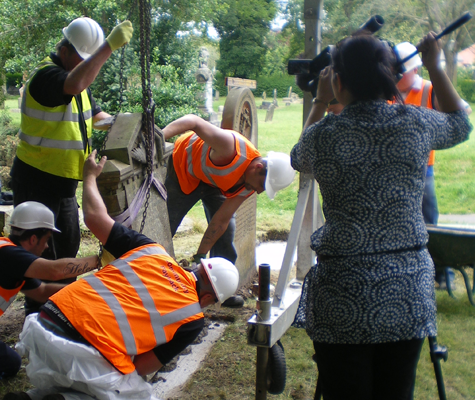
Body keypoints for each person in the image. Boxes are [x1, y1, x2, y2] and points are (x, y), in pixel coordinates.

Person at [291, 32, 472, 400]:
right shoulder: (416, 122)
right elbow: (460, 123)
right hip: (406, 289)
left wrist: (320, 101)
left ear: (338, 80)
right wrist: (436, 66)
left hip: (343, 291)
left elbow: (299, 158)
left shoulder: (326, 134)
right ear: (387, 75)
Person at [3, 150, 240, 400]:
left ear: (199, 268)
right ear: (207, 300)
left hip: (43, 324)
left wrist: (90, 177)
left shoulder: (151, 250)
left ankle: (29, 398)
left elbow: (94, 217)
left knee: (93, 371)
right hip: (78, 350)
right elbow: (141, 368)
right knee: (134, 393)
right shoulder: (192, 318)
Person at [9, 17, 133, 315]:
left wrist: (122, 124)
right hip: (37, 182)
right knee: (41, 257)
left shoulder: (72, 77)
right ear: (64, 49)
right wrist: (109, 47)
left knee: (67, 249)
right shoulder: (46, 77)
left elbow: (94, 113)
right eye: (83, 57)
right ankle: (37, 317)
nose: (86, 65)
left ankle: (64, 310)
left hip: (63, 184)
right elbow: (75, 83)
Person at [162, 114, 295, 307]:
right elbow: (194, 121)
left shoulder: (248, 185)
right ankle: (154, 279)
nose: (259, 191)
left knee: (227, 232)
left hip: (213, 181)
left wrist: (199, 256)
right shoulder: (231, 148)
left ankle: (218, 288)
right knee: (167, 225)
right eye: (262, 185)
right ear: (258, 167)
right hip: (184, 167)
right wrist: (159, 137)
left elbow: (220, 221)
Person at [394, 41, 472, 290]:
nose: (398, 75)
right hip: (393, 168)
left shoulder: (428, 89)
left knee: (430, 220)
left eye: (402, 70)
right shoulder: (386, 91)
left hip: (422, 168)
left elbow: (460, 112)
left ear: (415, 70)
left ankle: (442, 276)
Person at [0, 201, 100, 379]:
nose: (47, 247)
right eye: (46, 240)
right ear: (33, 239)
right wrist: (99, 260)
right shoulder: (8, 254)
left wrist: (90, 290)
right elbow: (54, 271)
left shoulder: (13, 260)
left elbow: (42, 291)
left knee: (12, 363)